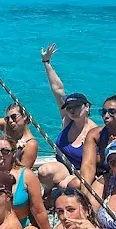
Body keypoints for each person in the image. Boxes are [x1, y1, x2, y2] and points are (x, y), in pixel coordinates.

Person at [36, 43, 98, 193]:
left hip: (81, 173)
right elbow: (58, 90)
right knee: (44, 172)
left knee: (69, 185)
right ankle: (51, 193)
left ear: (87, 107)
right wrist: (46, 62)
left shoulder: (94, 131)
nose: (72, 110)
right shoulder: (67, 120)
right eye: (69, 108)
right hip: (64, 167)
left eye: (76, 107)